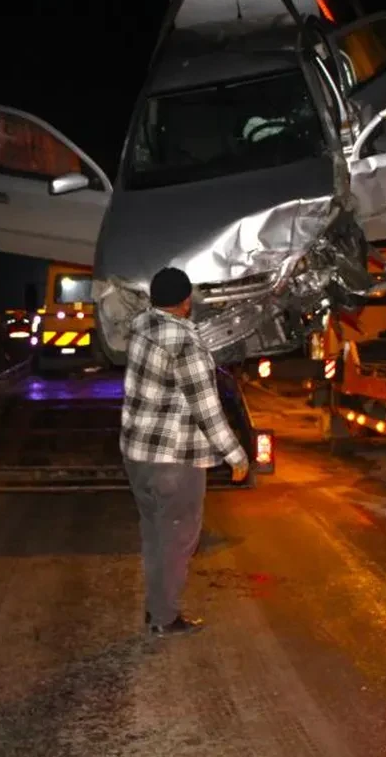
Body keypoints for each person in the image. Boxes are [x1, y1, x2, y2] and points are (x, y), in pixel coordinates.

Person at [121, 267, 250, 638]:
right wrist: (236, 456)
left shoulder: (141, 329)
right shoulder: (185, 344)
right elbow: (206, 409)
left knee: (155, 533)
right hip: (174, 460)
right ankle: (164, 617)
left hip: (138, 456)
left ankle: (155, 608)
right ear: (186, 301)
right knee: (178, 539)